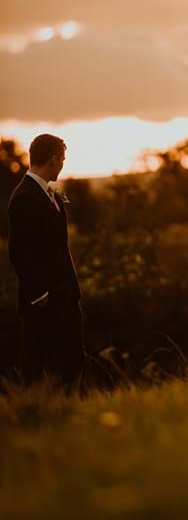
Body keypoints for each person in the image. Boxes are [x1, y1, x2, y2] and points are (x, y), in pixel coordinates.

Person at [7, 134, 87, 390]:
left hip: (66, 295)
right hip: (43, 301)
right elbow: (20, 253)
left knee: (74, 361)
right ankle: (38, 415)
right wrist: (39, 293)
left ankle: (74, 411)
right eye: (62, 159)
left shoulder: (49, 194)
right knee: (40, 366)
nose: (63, 164)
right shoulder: (24, 197)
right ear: (53, 160)